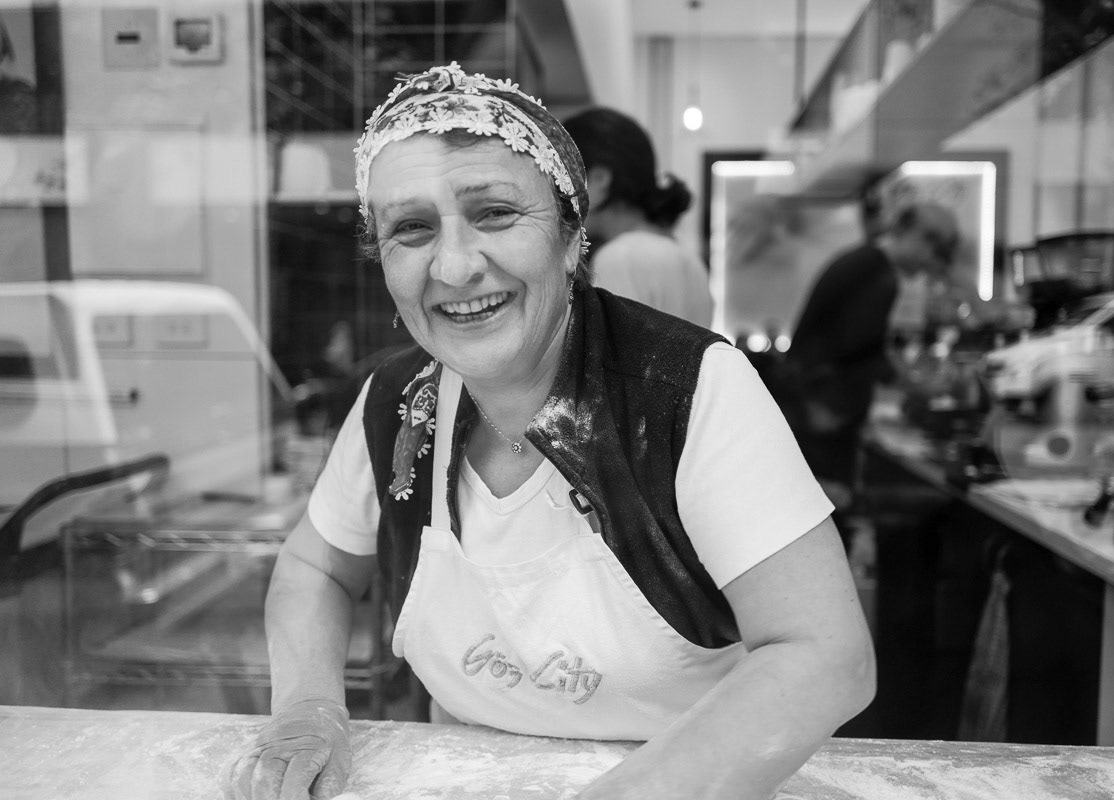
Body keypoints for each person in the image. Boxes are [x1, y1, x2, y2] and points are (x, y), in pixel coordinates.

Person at [225, 63, 874, 800]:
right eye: (411, 228)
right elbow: (315, 570)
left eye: (496, 213)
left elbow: (825, 653)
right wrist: (308, 709)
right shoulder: (397, 403)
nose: (455, 266)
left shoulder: (687, 390)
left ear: (572, 238)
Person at [775, 203, 960, 507]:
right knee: (823, 508)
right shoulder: (877, 274)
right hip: (822, 414)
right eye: (935, 252)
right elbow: (861, 350)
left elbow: (864, 345)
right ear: (917, 236)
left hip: (815, 409)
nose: (930, 264)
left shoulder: (865, 263)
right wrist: (918, 386)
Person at [562, 107, 714, 327]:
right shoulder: (690, 259)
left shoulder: (619, 258)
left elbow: (615, 348)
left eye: (565, 180)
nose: (561, 196)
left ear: (599, 179)